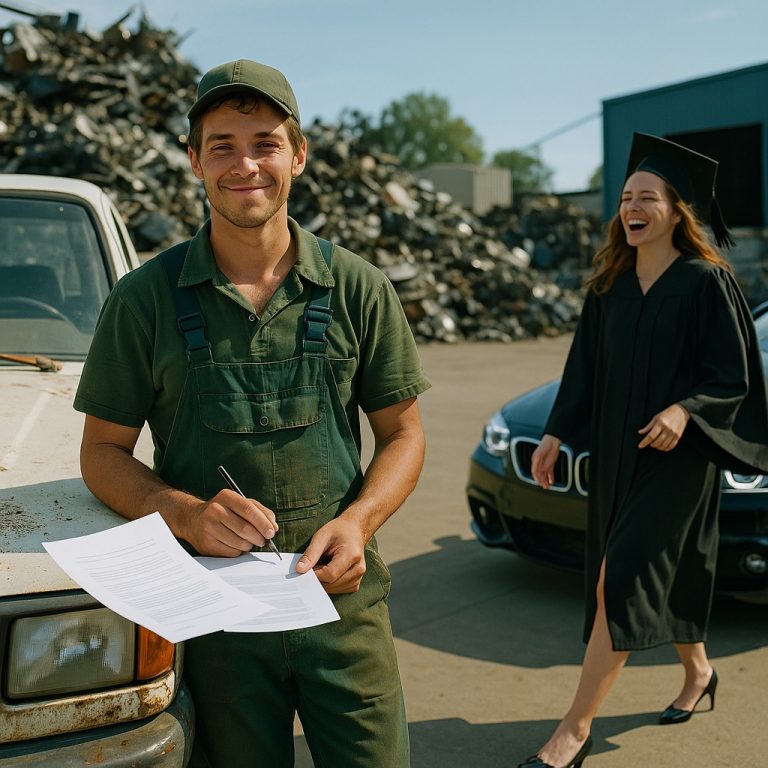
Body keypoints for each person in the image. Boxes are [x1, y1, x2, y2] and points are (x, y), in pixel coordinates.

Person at [74, 59, 430, 768]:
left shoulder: (357, 287)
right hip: (214, 623)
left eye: (265, 143)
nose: (246, 165)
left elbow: (404, 434)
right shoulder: (144, 299)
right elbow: (101, 455)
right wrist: (185, 514)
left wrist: (359, 524)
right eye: (222, 146)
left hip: (342, 608)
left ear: (298, 155)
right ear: (193, 162)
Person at [523, 132, 768, 768]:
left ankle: (573, 732)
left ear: (676, 209)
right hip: (613, 454)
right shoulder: (609, 285)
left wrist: (685, 412)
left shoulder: (706, 283)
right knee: (667, 573)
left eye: (647, 197)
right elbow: (583, 372)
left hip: (677, 462)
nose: (632, 207)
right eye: (626, 197)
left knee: (620, 579)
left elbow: (733, 376)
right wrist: (555, 433)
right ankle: (700, 673)